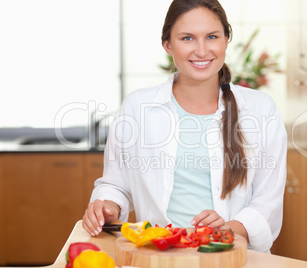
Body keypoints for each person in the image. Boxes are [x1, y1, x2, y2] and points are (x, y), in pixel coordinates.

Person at [82, 0, 287, 253]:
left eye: (212, 36)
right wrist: (108, 206)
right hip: (158, 256)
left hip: (231, 257)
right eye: (187, 38)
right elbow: (116, 183)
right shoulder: (137, 107)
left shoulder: (261, 110)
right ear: (168, 45)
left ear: (226, 40)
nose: (201, 51)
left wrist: (230, 228)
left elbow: (269, 200)